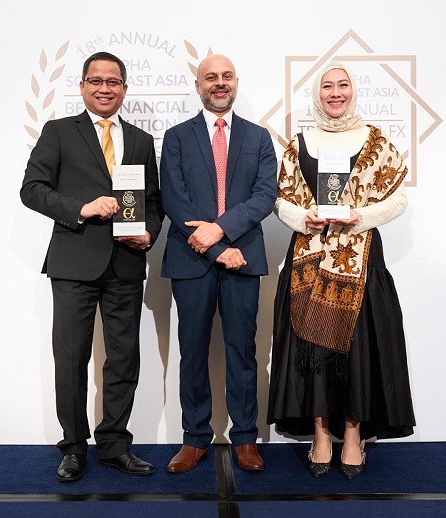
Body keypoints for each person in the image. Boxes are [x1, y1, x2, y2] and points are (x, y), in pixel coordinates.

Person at [267, 60, 415, 479]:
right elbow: (278, 199)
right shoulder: (299, 143)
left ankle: (352, 435)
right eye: (327, 86)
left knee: (357, 351)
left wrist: (360, 215)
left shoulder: (376, 141)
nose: (336, 93)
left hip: (360, 260)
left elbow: (399, 199)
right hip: (309, 260)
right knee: (312, 352)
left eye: (343, 85)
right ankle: (320, 434)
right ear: (317, 93)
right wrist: (304, 217)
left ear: (353, 91)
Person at [20, 51, 163, 481]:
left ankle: (115, 445)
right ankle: (73, 447)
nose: (104, 88)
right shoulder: (59, 132)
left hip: (126, 263)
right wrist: (80, 208)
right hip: (73, 263)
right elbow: (32, 189)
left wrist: (149, 233)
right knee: (71, 358)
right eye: (96, 81)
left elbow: (153, 202)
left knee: (123, 359)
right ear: (82, 86)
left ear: (124, 89)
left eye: (113, 81)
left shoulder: (140, 140)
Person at [160, 54, 277, 473]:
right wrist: (214, 248)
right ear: (199, 86)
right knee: (192, 351)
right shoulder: (176, 137)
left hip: (243, 257)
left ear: (236, 82)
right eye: (211, 77)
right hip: (192, 260)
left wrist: (221, 230)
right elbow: (174, 199)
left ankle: (245, 438)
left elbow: (265, 196)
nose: (219, 83)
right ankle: (195, 439)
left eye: (226, 76)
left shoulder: (259, 138)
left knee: (242, 351)